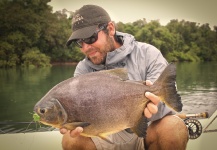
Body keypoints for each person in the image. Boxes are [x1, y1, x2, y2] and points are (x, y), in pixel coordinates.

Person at [60, 4, 189, 150]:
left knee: (173, 127)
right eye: (79, 43)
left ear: (110, 29)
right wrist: (72, 124)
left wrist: (155, 105)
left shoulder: (148, 54)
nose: (85, 48)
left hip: (144, 132)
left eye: (90, 38)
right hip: (104, 136)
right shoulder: (83, 69)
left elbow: (168, 101)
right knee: (70, 140)